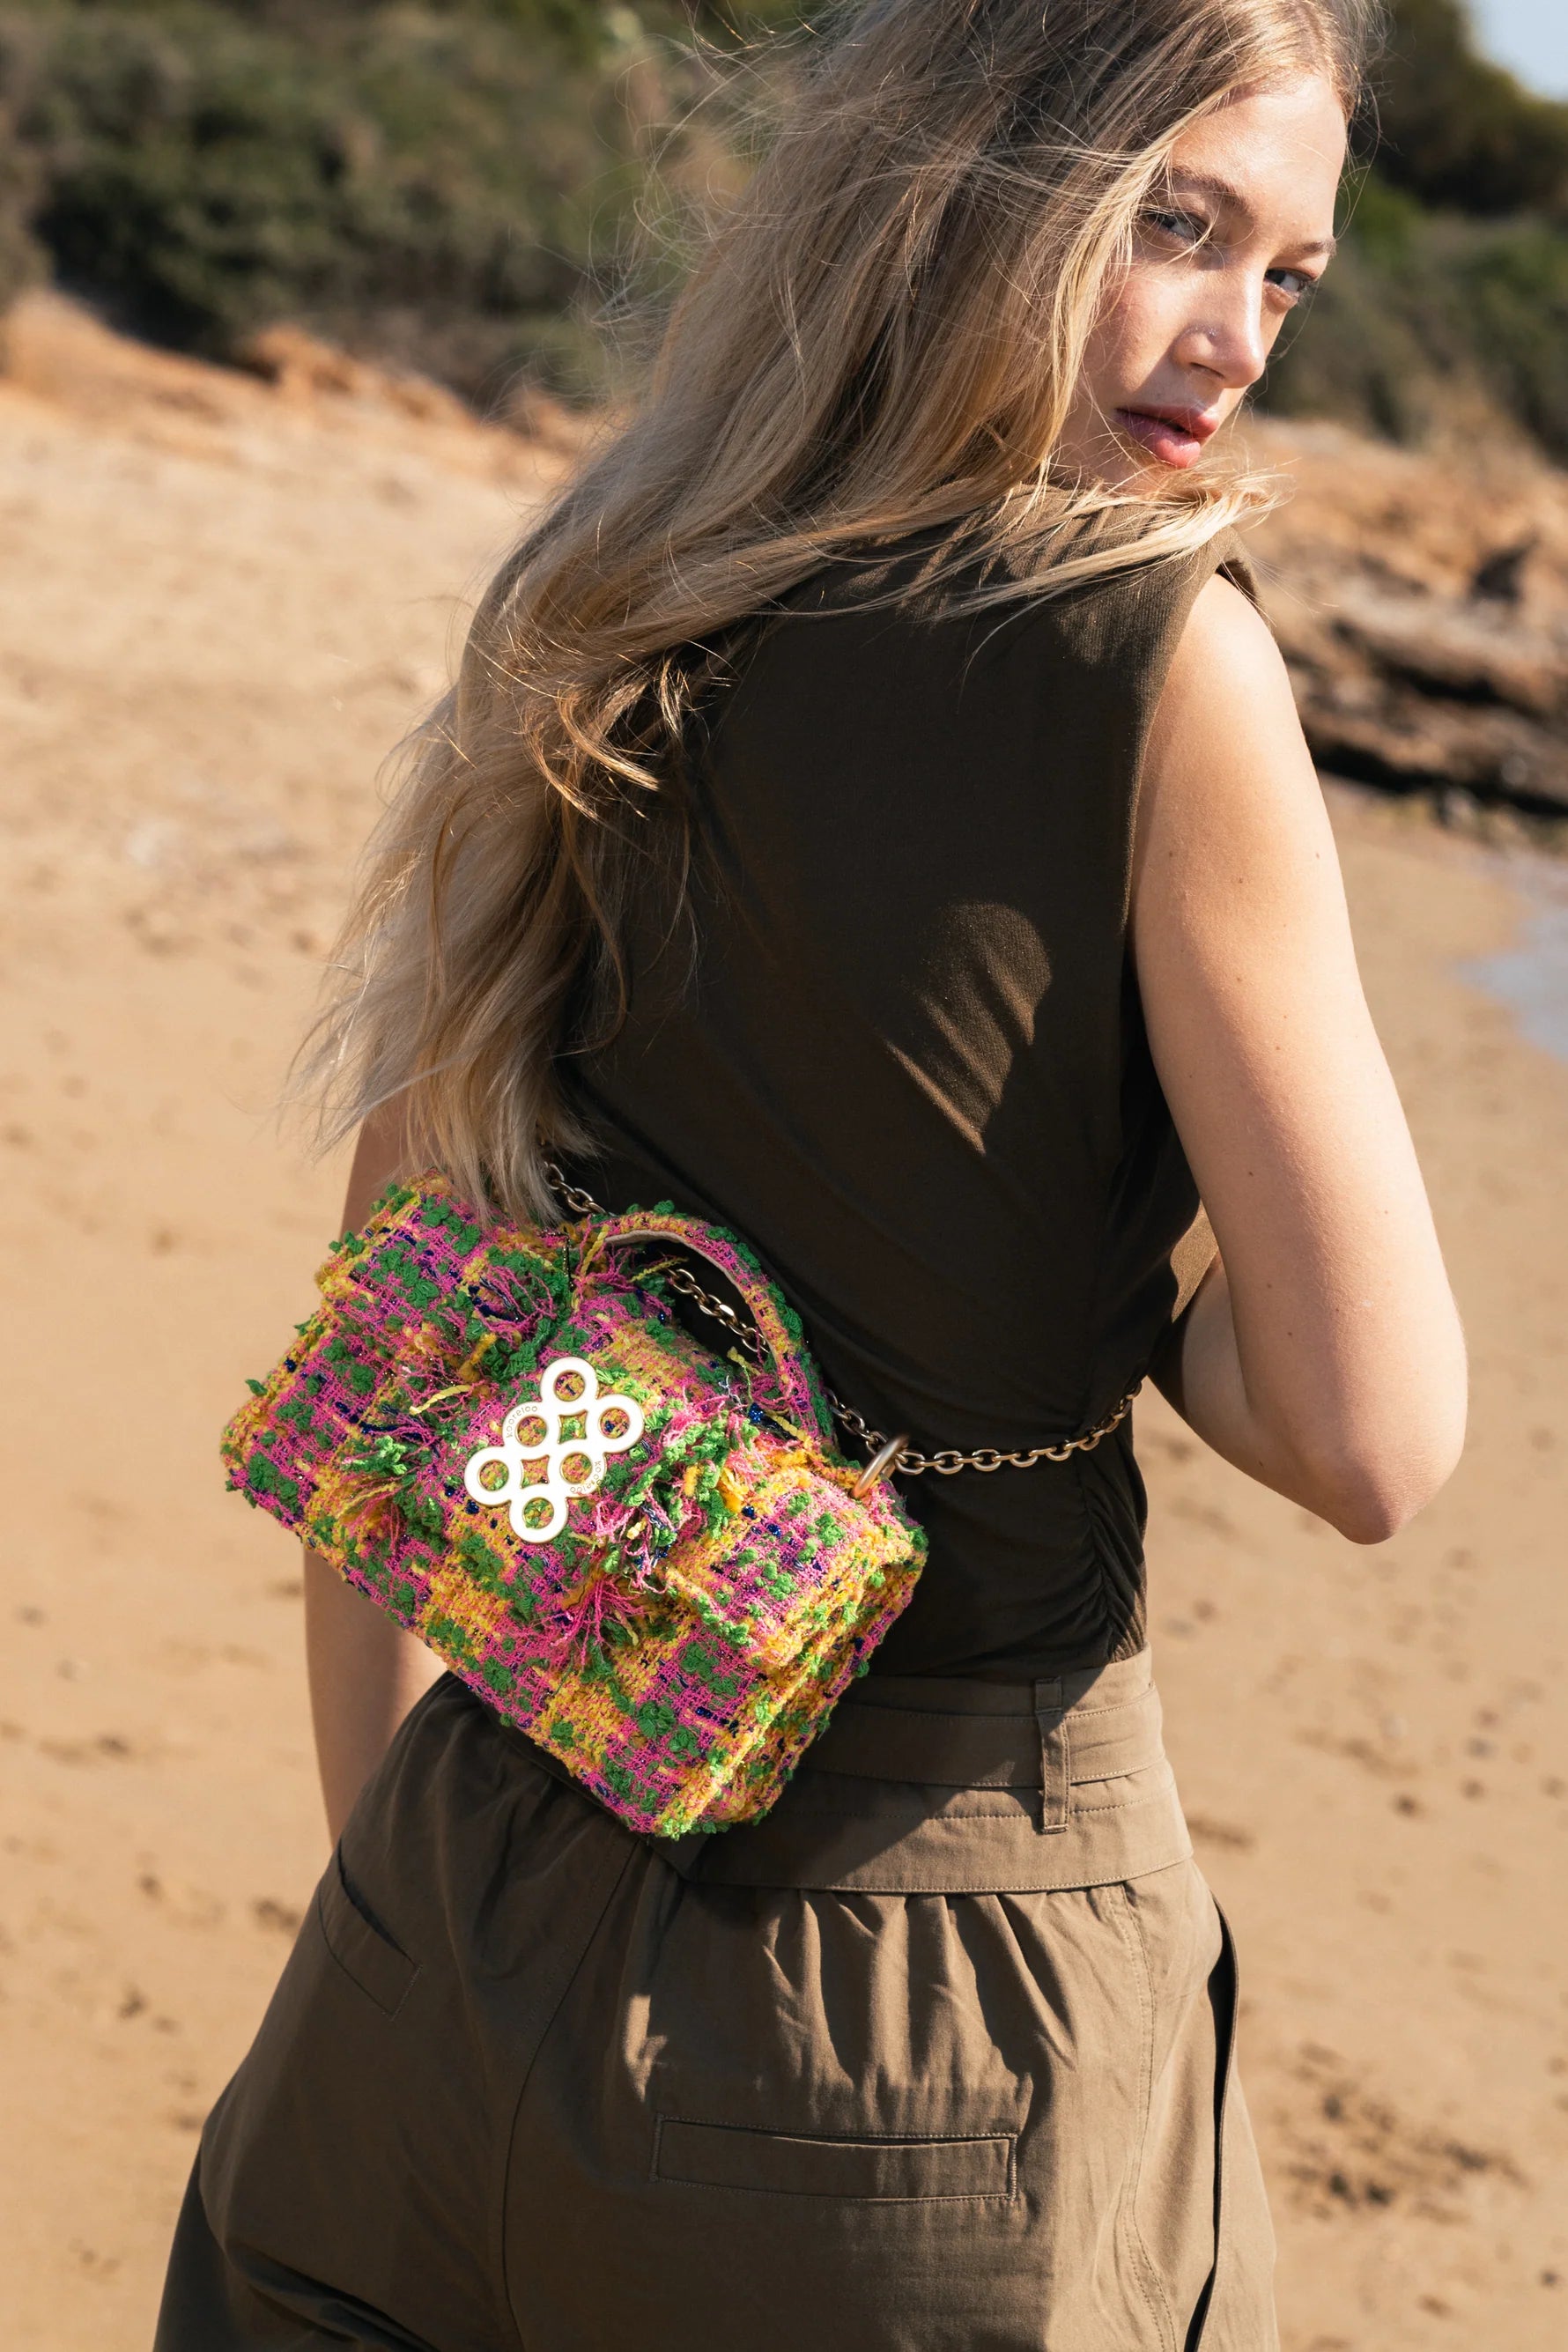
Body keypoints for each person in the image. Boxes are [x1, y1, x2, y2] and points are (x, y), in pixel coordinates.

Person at [156, 2, 1466, 2345]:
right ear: (970, 187)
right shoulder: (1155, 661)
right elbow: (1370, 1435)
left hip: (451, 1908)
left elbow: (404, 1269)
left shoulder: (614, 586)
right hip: (922, 1985)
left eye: (1285, 276)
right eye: (1176, 223)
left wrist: (394, 1889)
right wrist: (1133, 1279)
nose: (1232, 339)